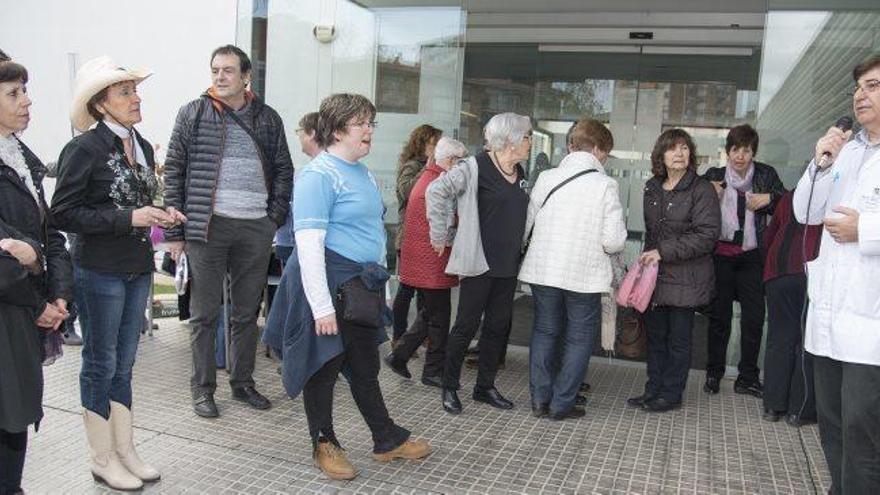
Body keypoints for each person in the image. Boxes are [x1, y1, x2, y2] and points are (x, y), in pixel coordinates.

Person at [262, 93, 430, 481]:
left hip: (360, 285)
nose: (370, 131)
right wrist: (320, 308)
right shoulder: (319, 176)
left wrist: (383, 289)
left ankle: (386, 438)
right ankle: (324, 444)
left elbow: (371, 233)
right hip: (330, 284)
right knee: (323, 365)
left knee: (363, 365)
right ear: (337, 130)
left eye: (372, 123)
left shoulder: (363, 172)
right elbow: (308, 245)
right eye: (362, 124)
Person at [52, 55, 183, 490]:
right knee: (100, 362)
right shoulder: (82, 148)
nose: (135, 97)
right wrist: (129, 218)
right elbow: (64, 214)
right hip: (99, 270)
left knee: (124, 364)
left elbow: (139, 202)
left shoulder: (142, 146)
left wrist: (162, 214)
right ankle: (102, 456)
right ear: (100, 104)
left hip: (136, 268)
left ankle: (125, 449)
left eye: (134, 89)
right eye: (124, 91)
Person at [163, 45, 294, 418]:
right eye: (215, 70)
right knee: (204, 313)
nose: (220, 77)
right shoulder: (193, 113)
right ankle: (203, 390)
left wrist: (273, 217)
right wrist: (175, 228)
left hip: (255, 226)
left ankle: (242, 383)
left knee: (246, 312)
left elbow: (284, 170)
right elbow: (174, 169)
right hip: (208, 224)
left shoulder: (268, 118)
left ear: (245, 76)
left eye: (228, 71)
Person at [792, 54, 880, 494]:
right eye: (859, 87)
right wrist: (822, 161)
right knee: (831, 425)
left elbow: (856, 224)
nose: (861, 95)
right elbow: (803, 209)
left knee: (864, 435)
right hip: (830, 316)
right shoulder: (849, 149)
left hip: (871, 326)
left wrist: (862, 228)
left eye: (874, 86)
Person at [520, 119, 626, 420]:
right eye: (605, 152)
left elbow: (526, 226)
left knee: (544, 330)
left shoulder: (546, 178)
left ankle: (540, 400)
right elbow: (614, 240)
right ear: (596, 149)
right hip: (585, 275)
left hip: (544, 271)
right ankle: (561, 404)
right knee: (579, 338)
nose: (604, 159)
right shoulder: (606, 184)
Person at [0, 52, 73, 495]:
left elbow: (47, 237)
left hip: (26, 308)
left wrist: (59, 296)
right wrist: (36, 299)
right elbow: (7, 258)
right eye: (13, 93)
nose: (27, 101)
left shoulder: (22, 157)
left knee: (16, 418)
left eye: (25, 90)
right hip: (9, 309)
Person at [427, 112, 532, 415]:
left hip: (508, 263)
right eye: (526, 136)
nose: (529, 142)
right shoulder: (474, 167)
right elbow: (437, 191)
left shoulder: (520, 171)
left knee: (498, 327)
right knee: (465, 326)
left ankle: (484, 386)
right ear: (510, 140)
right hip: (479, 261)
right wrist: (441, 233)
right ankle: (449, 386)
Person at [626, 129, 720, 413]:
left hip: (686, 279)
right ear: (661, 155)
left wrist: (663, 252)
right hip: (655, 279)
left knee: (679, 340)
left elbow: (707, 235)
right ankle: (653, 389)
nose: (679, 154)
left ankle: (671, 394)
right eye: (672, 149)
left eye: (684, 148)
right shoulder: (652, 187)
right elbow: (653, 233)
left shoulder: (701, 189)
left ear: (690, 154)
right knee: (656, 338)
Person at [702, 124, 784, 397]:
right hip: (721, 257)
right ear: (727, 151)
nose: (740, 156)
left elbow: (786, 202)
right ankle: (714, 373)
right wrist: (707, 191)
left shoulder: (765, 175)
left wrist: (769, 199)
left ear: (753, 153)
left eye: (746, 150)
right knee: (719, 318)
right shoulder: (714, 175)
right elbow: (691, 199)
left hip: (752, 258)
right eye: (735, 149)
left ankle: (747, 377)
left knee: (754, 318)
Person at [384, 137, 469, 387]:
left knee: (430, 313)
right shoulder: (438, 182)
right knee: (439, 317)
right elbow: (444, 222)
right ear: (451, 161)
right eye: (460, 162)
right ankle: (428, 369)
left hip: (424, 260)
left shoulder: (427, 177)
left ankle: (401, 357)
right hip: (432, 261)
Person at [760, 191, 821, 426]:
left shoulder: (790, 197)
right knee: (806, 341)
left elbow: (770, 236)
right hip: (811, 272)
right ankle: (799, 410)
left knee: (780, 338)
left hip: (778, 271)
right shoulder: (836, 197)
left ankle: (773, 407)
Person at [392, 124, 442, 345]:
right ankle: (399, 336)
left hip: (428, 239)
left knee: (426, 293)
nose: (437, 148)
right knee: (406, 290)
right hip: (410, 239)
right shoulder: (412, 166)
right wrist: (427, 169)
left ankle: (422, 335)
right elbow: (407, 192)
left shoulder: (439, 169)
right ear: (422, 144)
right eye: (434, 144)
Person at [275, 111, 320, 267]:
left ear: (312, 133)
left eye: (300, 131)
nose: (298, 137)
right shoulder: (313, 171)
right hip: (294, 244)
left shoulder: (313, 173)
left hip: (296, 246)